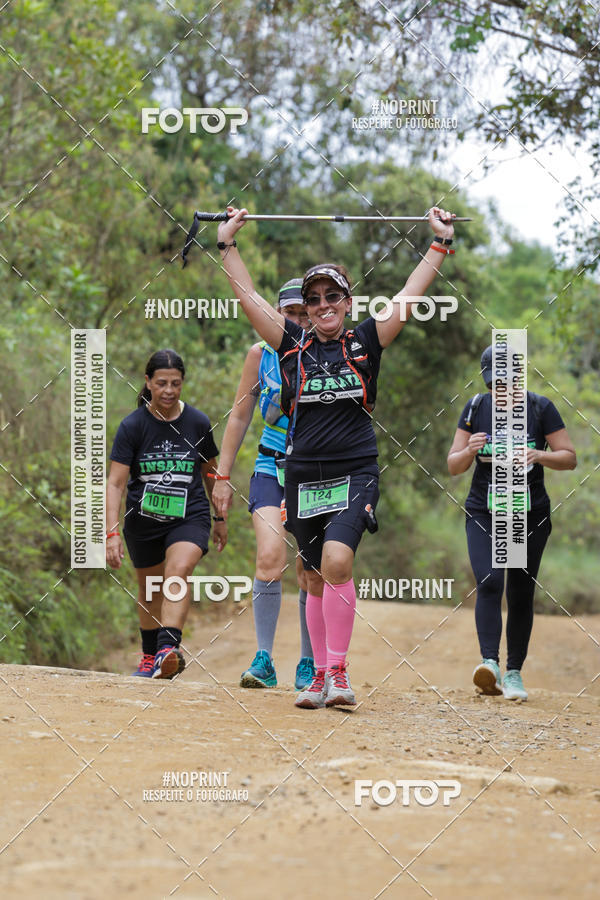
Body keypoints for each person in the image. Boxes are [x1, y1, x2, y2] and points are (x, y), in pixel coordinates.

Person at [213, 204, 456, 708]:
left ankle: (339, 672)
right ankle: (319, 675)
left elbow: (410, 295)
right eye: (314, 298)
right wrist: (227, 244)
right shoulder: (290, 344)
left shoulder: (366, 340)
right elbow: (249, 297)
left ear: (347, 301)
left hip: (356, 472)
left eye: (332, 297)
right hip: (303, 475)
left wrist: (438, 242)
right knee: (311, 575)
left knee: (338, 561)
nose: (322, 305)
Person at [447, 345, 577, 700]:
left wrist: (540, 455)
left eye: (507, 382)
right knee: (489, 580)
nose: (501, 391)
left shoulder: (540, 408)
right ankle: (489, 664)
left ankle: (514, 672)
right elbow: (453, 465)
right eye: (495, 384)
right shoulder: (475, 408)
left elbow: (569, 458)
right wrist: (469, 451)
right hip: (484, 508)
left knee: (520, 590)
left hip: (528, 510)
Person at [212, 280, 316, 690]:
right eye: (290, 313)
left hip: (314, 473)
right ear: (276, 313)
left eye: (304, 313)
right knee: (270, 557)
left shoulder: (327, 352)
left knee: (310, 568)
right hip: (271, 466)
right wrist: (222, 476)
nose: (297, 321)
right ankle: (264, 658)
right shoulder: (260, 355)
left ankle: (310, 662)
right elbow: (239, 417)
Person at [106, 348, 227, 678]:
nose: (169, 391)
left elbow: (212, 475)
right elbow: (115, 484)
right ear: (147, 382)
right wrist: (111, 533)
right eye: (161, 383)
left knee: (178, 570)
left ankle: (168, 649)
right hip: (143, 520)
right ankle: (149, 656)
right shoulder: (132, 426)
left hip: (190, 514)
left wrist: (220, 519)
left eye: (175, 383)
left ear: (183, 382)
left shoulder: (197, 422)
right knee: (149, 588)